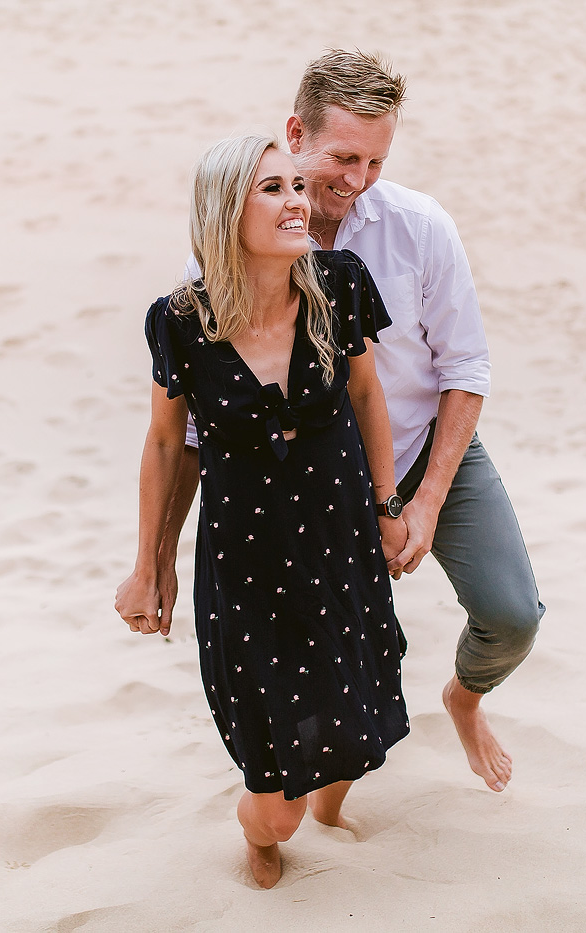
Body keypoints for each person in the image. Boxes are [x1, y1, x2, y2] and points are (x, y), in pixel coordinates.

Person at [154, 50, 545, 794]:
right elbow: (192, 437)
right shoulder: (213, 273)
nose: (357, 179)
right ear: (295, 131)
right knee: (327, 663)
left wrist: (422, 502)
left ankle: (465, 700)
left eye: (374, 160)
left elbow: (465, 370)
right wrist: (160, 557)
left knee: (512, 613)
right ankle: (305, 802)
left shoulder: (418, 227)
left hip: (427, 453)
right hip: (307, 485)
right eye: (343, 156)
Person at [115, 133, 409, 888]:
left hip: (337, 546)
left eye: (295, 186)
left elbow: (370, 396)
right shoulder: (180, 320)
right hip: (246, 569)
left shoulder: (337, 285)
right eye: (272, 189)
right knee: (277, 800)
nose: (297, 202)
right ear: (224, 210)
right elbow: (162, 443)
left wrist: (388, 504)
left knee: (358, 725)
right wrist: (147, 565)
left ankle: (329, 805)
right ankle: (265, 830)